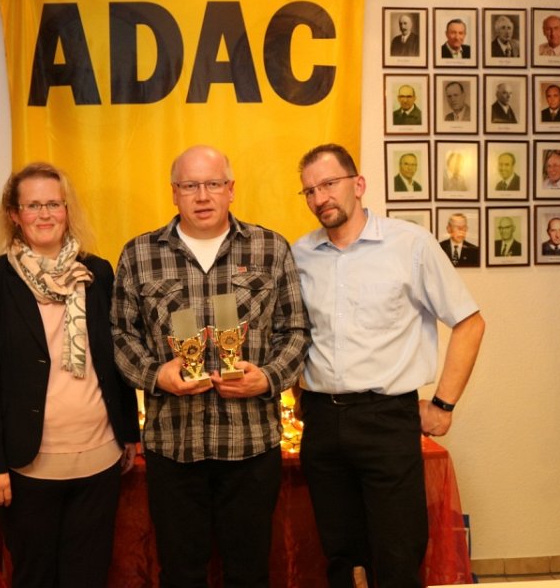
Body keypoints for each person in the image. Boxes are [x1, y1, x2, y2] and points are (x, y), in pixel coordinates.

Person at [111, 145, 310, 586]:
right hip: (174, 446)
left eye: (213, 184)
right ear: (174, 193)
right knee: (181, 573)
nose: (202, 196)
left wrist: (268, 379)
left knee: (249, 572)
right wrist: (156, 376)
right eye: (190, 185)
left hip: (250, 445)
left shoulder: (270, 248)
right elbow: (121, 336)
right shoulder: (139, 253)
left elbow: (295, 330)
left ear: (231, 189)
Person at [292, 143, 485, 588]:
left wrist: (443, 405)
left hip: (386, 419)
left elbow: (470, 323)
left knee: (396, 556)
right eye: (310, 191)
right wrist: (301, 394)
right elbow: (298, 334)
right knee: (341, 558)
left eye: (329, 184)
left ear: (358, 184)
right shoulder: (300, 254)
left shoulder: (409, 244)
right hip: (321, 424)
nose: (320, 197)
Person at [0, 163, 140, 587]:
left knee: (88, 577)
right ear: (14, 215)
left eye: (54, 204)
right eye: (33, 205)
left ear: (66, 210)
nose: (45, 214)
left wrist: (129, 432)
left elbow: (113, 356)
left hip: (99, 458)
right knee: (35, 577)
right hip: (27, 466)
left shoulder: (97, 273)